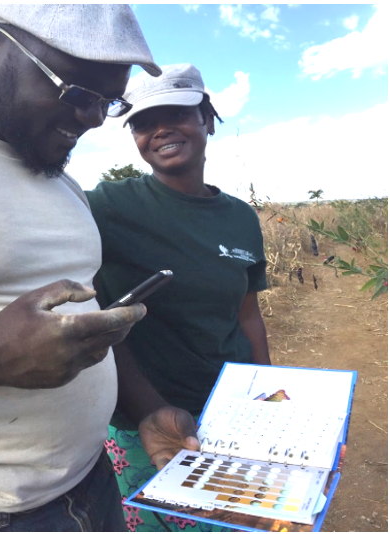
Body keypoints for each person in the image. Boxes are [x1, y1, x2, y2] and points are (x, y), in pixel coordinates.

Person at [0, 7, 200, 533]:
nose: (96, 118)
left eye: (109, 100)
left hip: (93, 485)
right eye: (77, 92)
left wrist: (147, 410)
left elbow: (88, 318)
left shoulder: (60, 180)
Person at [85, 63, 271, 532]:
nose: (161, 129)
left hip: (229, 414)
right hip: (143, 423)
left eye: (178, 113)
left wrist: (266, 397)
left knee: (237, 518)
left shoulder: (241, 219)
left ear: (206, 118)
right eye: (144, 122)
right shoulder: (107, 205)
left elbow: (247, 316)